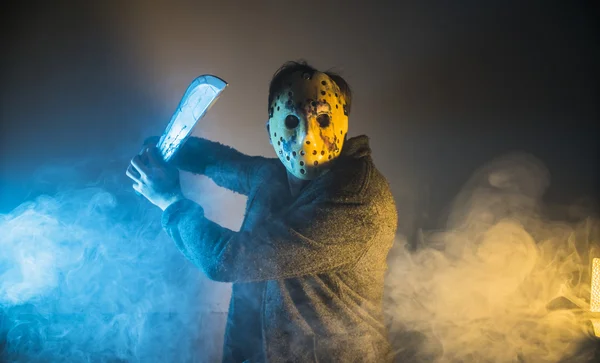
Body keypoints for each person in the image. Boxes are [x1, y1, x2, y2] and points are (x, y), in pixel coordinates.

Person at [127, 61, 398, 362]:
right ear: (271, 132)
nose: (308, 136)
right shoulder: (275, 178)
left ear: (342, 125)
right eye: (293, 122)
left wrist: (170, 201)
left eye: (322, 120)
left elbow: (227, 260)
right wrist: (166, 147)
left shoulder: (355, 202)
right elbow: (221, 162)